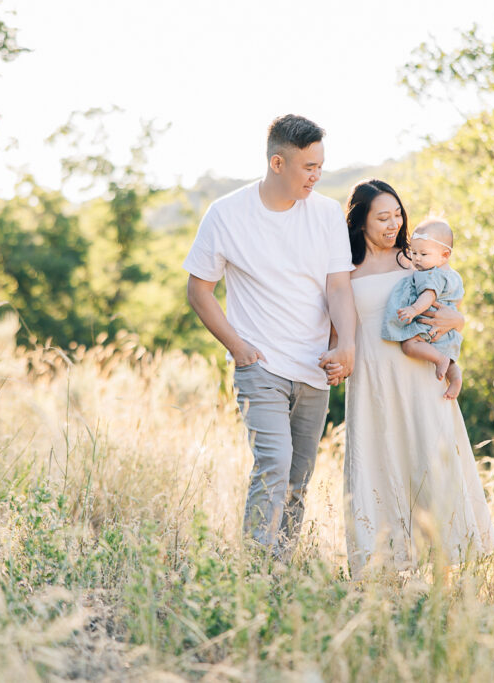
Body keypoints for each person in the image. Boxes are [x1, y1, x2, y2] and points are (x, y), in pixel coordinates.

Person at [183, 114, 356, 561]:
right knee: (274, 464)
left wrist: (346, 345)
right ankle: (255, 567)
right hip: (260, 368)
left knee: (299, 477)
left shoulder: (326, 213)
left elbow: (339, 286)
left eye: (321, 165)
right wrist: (237, 347)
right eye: (308, 167)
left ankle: (279, 567)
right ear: (277, 163)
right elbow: (198, 289)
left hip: (315, 367)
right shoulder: (226, 214)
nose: (316, 176)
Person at [325, 179, 494, 577]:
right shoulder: (344, 269)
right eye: (382, 217)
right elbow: (337, 330)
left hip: (420, 379)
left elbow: (449, 304)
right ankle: (382, 565)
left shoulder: (415, 259)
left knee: (428, 461)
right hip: (372, 384)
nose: (393, 224)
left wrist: (460, 320)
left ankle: (442, 565)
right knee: (379, 460)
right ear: (360, 221)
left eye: (398, 214)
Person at [381, 217, 464, 400]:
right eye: (414, 252)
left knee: (409, 345)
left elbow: (429, 295)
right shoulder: (454, 276)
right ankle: (455, 376)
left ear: (444, 255)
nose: (416, 259)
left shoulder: (431, 275)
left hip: (427, 325)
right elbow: (456, 303)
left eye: (423, 254)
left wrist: (413, 309)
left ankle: (439, 359)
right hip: (446, 330)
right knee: (449, 359)